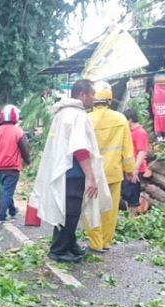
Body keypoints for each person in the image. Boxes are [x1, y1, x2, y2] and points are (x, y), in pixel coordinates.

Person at [31, 79, 111, 263]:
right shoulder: (77, 115)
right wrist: (90, 176)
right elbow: (79, 148)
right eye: (92, 94)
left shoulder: (63, 113)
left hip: (66, 171)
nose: (93, 98)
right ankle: (59, 250)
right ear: (82, 94)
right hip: (73, 172)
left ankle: (70, 244)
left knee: (69, 210)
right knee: (70, 211)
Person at [84, 81, 135, 253]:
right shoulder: (120, 119)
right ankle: (106, 242)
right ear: (109, 99)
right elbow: (128, 150)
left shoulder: (86, 119)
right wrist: (130, 170)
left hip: (92, 174)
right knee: (110, 210)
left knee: (91, 209)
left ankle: (95, 242)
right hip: (113, 173)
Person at [0, 105, 31, 223]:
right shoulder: (18, 131)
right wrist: (28, 161)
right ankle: (1, 216)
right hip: (12, 167)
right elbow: (24, 149)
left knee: (6, 190)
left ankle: (12, 211)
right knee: (7, 191)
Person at [122, 109, 149, 218]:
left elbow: (142, 151)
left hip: (135, 169)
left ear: (130, 119)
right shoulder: (129, 132)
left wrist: (135, 169)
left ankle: (132, 217)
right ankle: (129, 216)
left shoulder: (140, 132)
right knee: (127, 193)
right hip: (127, 169)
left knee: (132, 194)